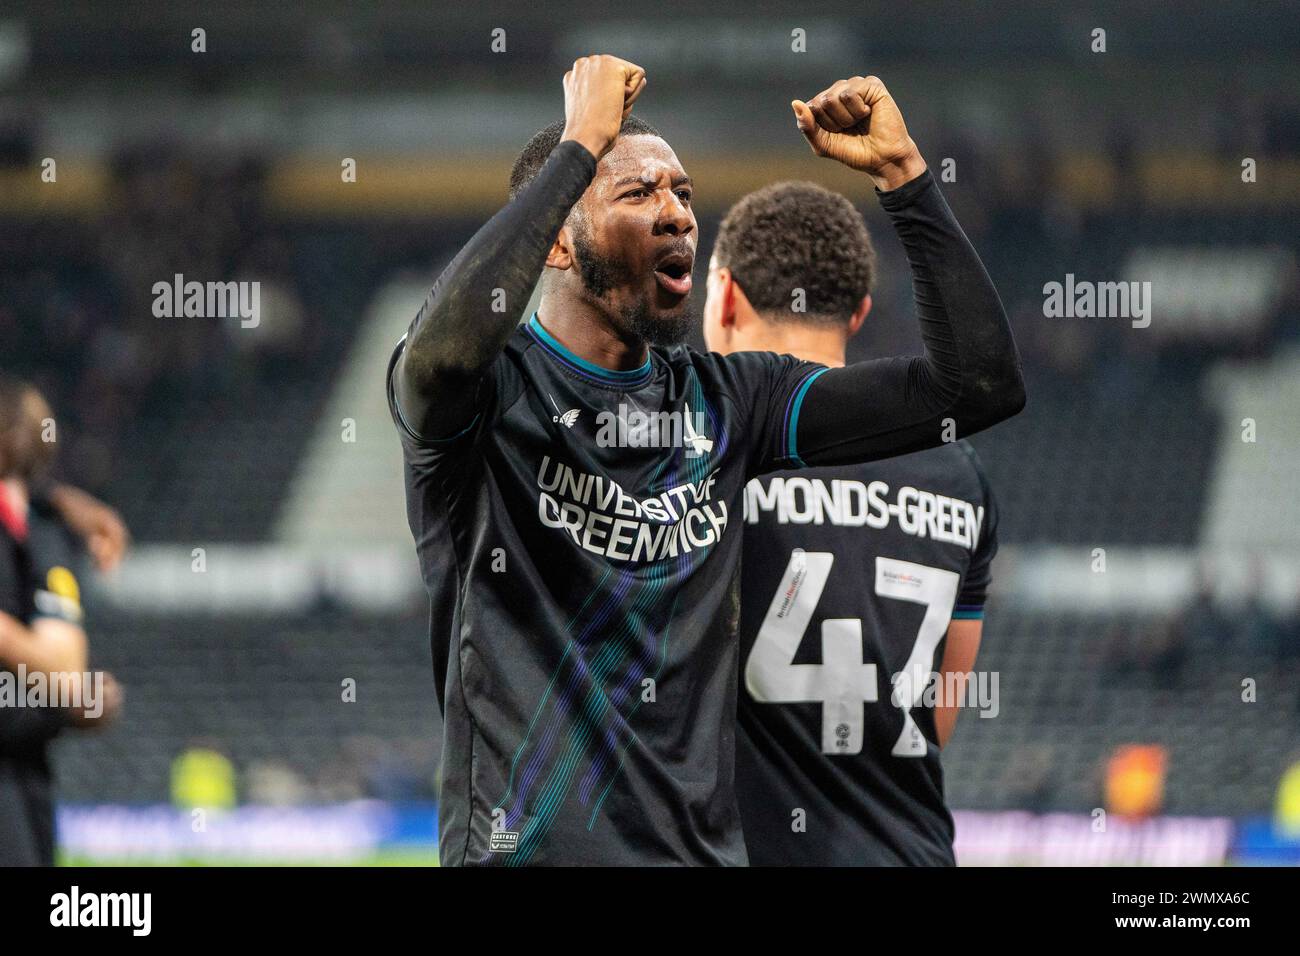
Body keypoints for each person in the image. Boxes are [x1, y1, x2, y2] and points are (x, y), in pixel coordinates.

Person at [387, 57, 1024, 865]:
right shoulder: (488, 401)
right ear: (555, 239)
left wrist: (903, 175)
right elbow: (436, 359)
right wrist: (579, 145)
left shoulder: (730, 402)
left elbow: (976, 386)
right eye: (639, 192)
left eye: (684, 195)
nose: (679, 215)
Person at [704, 180, 1000, 865]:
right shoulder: (958, 472)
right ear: (860, 313)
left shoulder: (711, 452)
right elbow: (938, 713)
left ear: (723, 296)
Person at [0, 377, 122, 866]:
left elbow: (65, 672)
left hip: (22, 772)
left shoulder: (44, 527)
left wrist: (74, 699)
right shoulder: (47, 527)